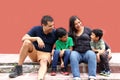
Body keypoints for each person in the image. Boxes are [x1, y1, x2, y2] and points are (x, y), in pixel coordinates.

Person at [9, 15, 57, 80]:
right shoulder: (36, 29)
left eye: (53, 25)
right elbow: (23, 38)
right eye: (50, 26)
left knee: (44, 62)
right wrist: (36, 38)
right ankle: (18, 68)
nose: (52, 27)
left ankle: (40, 78)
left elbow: (65, 38)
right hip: (34, 53)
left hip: (45, 55)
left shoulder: (55, 32)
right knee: (26, 42)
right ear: (43, 25)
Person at [69, 16, 96, 80]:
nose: (78, 24)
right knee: (72, 54)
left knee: (92, 54)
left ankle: (92, 76)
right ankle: (76, 77)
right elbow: (64, 42)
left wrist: (107, 48)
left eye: (79, 22)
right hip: (77, 53)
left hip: (87, 52)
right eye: (76, 24)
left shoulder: (87, 30)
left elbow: (97, 39)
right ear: (72, 25)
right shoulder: (71, 33)